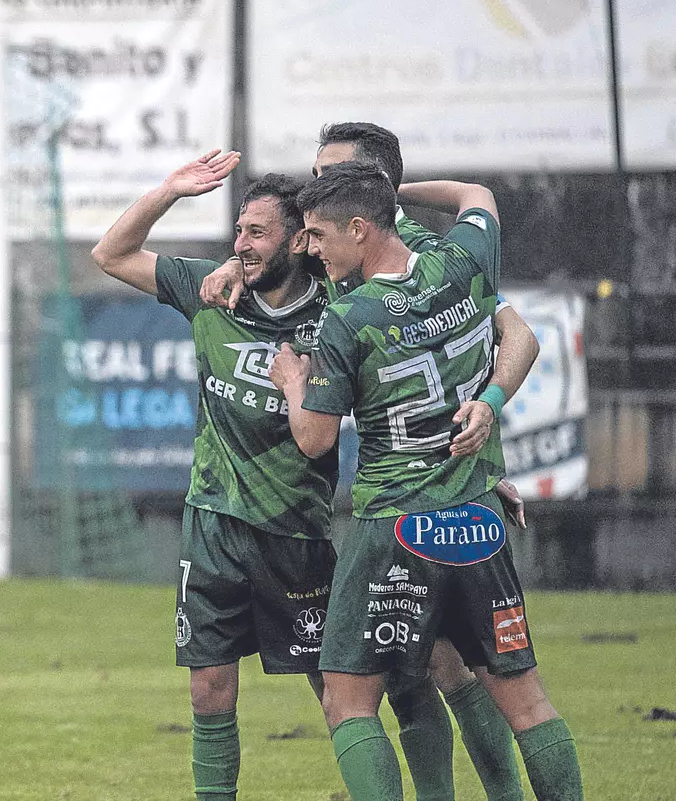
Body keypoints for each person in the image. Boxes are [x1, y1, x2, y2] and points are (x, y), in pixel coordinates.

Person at [200, 123, 537, 801]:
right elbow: (271, 252)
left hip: (400, 509)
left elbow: (517, 334)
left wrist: (487, 415)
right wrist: (234, 265)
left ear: (368, 201)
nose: (313, 187)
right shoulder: (334, 246)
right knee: (448, 671)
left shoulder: (417, 253)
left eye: (328, 174)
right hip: (452, 490)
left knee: (427, 675)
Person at [272, 161, 582, 801]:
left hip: (394, 524)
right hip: (476, 519)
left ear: (359, 229)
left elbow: (315, 439)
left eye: (319, 235)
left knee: (347, 701)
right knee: (528, 703)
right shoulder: (463, 263)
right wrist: (391, 190)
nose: (311, 249)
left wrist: (293, 382)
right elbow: (477, 193)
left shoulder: (349, 317)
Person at [94, 153, 337, 799]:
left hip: (296, 530)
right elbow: (111, 254)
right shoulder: (209, 288)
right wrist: (169, 191)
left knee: (340, 690)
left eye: (257, 233)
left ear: (298, 240)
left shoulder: (338, 309)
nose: (241, 245)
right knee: (207, 688)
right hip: (212, 524)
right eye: (238, 232)